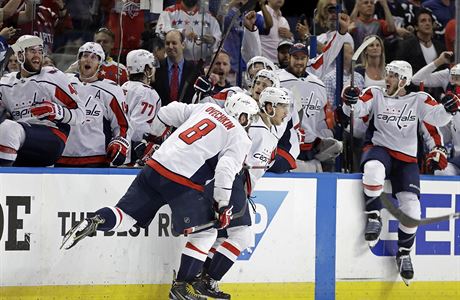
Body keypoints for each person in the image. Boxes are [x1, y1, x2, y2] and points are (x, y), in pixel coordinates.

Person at [60, 95, 259, 300]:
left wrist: (155, 137)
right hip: (183, 181)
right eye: (250, 118)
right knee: (206, 234)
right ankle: (180, 287)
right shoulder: (240, 136)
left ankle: (96, 220)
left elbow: (167, 111)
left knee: (126, 217)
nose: (249, 123)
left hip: (155, 166)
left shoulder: (206, 108)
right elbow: (225, 169)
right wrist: (223, 204)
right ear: (243, 116)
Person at [341, 60, 459, 285]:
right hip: (380, 149)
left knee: (413, 210)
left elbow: (437, 117)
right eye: (387, 74)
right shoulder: (375, 93)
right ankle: (374, 217)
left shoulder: (419, 99)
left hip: (406, 160)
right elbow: (357, 109)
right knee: (373, 170)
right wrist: (349, 100)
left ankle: (404, 252)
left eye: (393, 76)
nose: (388, 79)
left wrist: (449, 109)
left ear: (404, 80)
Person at [194, 87, 290, 299]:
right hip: (231, 180)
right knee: (243, 235)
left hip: (235, 185)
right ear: (269, 107)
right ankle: (208, 281)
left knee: (222, 238)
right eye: (282, 106)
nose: (286, 112)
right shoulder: (252, 126)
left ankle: (197, 279)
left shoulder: (270, 131)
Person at [0, 35, 85, 167]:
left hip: (53, 135)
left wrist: (57, 111)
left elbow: (81, 114)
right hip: (22, 140)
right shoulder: (6, 83)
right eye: (32, 51)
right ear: (20, 55)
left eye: (40, 51)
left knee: (7, 129)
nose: (38, 56)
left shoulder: (52, 76)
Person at [55, 42, 130, 167]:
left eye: (93, 57)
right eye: (85, 55)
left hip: (96, 159)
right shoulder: (64, 83)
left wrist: (119, 142)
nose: (88, 59)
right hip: (62, 156)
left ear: (100, 63)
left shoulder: (111, 90)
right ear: (78, 60)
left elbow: (122, 125)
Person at [411, 52, 460, 175]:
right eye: (453, 78)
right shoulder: (448, 110)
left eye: (458, 79)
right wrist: (439, 61)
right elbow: (416, 80)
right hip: (456, 158)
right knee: (440, 172)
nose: (454, 83)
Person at [121, 49, 162, 163]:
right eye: (151, 66)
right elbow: (139, 129)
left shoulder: (123, 86)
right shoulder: (148, 93)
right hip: (131, 154)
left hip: (116, 147)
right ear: (146, 69)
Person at [156, 0, 222, 63]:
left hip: (201, 65)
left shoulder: (209, 16)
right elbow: (160, 32)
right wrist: (181, 32)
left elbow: (219, 39)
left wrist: (213, 40)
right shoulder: (169, 12)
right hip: (176, 63)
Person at [153, 29, 204, 105]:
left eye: (174, 43)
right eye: (167, 43)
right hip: (162, 114)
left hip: (187, 114)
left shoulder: (195, 70)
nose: (170, 46)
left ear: (183, 45)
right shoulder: (157, 68)